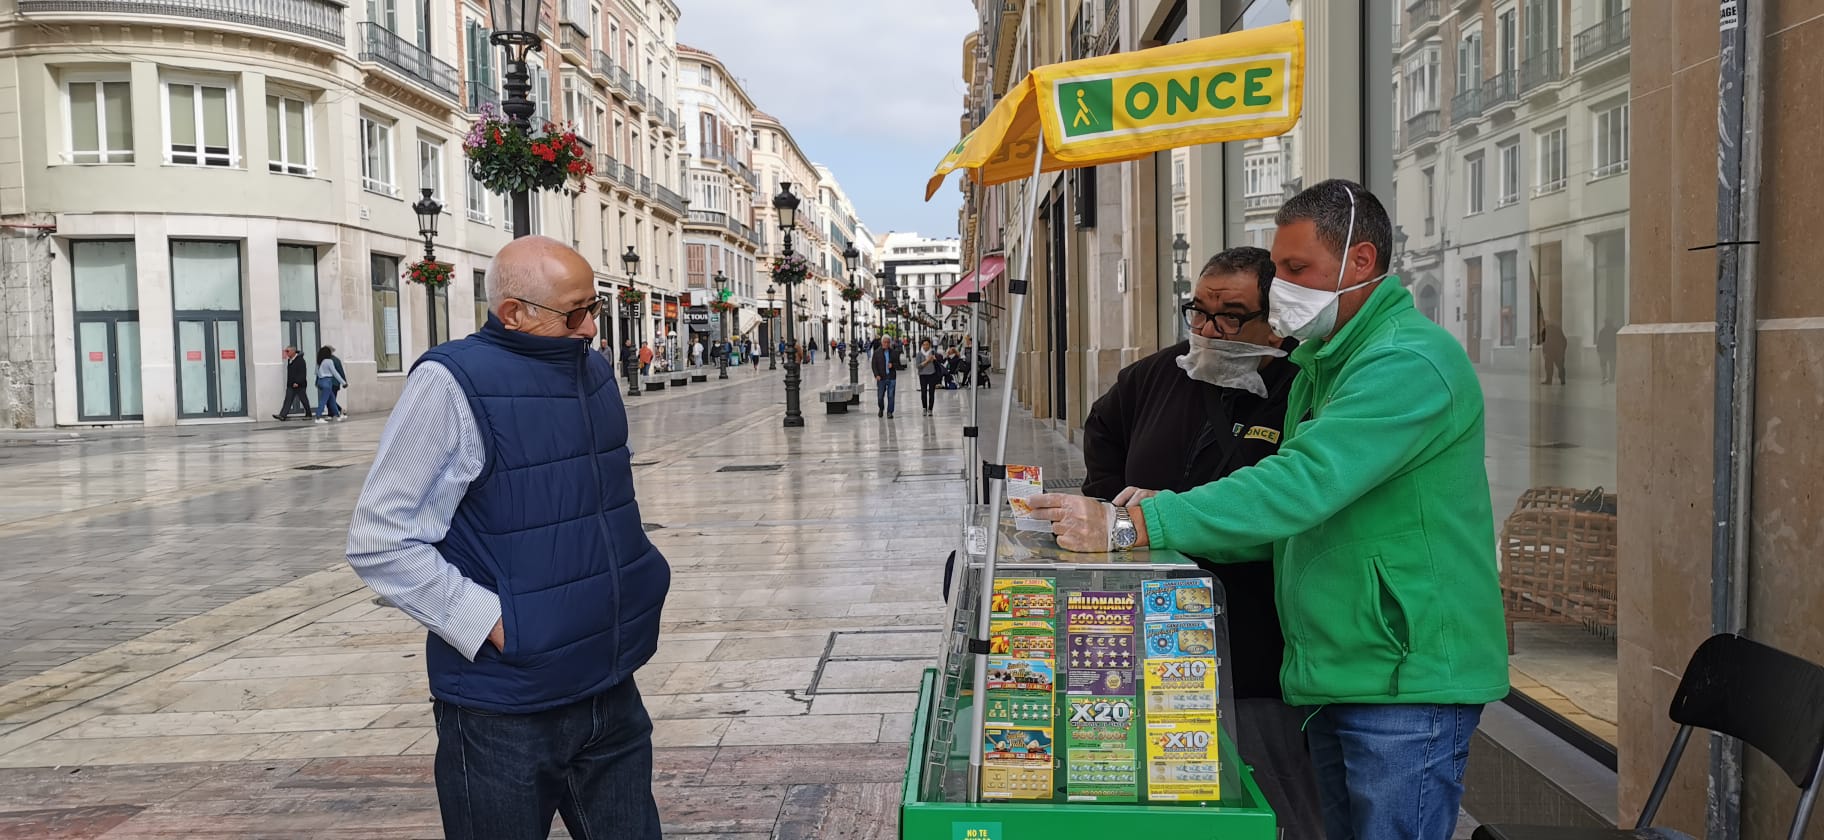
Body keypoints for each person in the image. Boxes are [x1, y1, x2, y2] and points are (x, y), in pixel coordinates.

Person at [1028, 180, 1507, 840]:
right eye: (1279, 268)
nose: (1281, 284)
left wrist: (1134, 524)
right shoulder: (1326, 365)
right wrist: (1172, 512)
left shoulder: (1408, 361)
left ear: (1360, 262)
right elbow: (1296, 517)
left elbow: (1301, 484)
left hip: (1406, 680)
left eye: (1295, 268)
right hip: (1340, 670)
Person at [346, 236, 670, 840]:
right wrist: (497, 624)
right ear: (514, 312)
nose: (592, 327)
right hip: (505, 712)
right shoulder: (450, 384)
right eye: (575, 314)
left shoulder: (592, 371)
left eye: (595, 307)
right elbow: (380, 538)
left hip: (609, 686)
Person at [1079, 246, 1321, 840]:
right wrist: (1114, 505)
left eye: (1232, 316)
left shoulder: (1302, 387)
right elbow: (1102, 431)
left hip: (1258, 631)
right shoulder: (1154, 375)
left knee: (1269, 785)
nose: (1211, 330)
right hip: (1152, 617)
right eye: (1199, 312)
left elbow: (1289, 497)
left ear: (1275, 320)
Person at [273, 346, 311, 420]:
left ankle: (308, 414)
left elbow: (302, 373)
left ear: (293, 351)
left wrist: (298, 382)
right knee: (288, 399)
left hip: (299, 385)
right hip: (291, 384)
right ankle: (283, 415)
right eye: (286, 351)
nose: (286, 353)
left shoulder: (300, 360)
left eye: (288, 351)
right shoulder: (290, 360)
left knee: (303, 399)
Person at [313, 345, 347, 423]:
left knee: (331, 399)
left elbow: (316, 372)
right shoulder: (329, 361)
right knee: (323, 400)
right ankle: (318, 417)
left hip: (321, 381)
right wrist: (343, 382)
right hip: (327, 381)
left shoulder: (319, 361)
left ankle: (338, 415)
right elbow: (335, 373)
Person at [870, 337, 901, 418]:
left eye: (888, 342)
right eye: (884, 342)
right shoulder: (877, 353)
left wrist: (893, 365)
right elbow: (874, 365)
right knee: (880, 397)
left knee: (891, 395)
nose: (886, 344)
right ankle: (881, 408)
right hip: (881, 377)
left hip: (891, 377)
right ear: (881, 342)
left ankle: (889, 412)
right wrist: (876, 375)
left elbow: (898, 365)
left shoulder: (893, 352)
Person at [915, 339, 941, 416]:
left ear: (930, 345)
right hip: (923, 375)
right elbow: (918, 366)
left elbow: (940, 360)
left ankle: (930, 409)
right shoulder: (919, 354)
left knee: (931, 392)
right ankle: (924, 408)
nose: (926, 346)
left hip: (932, 374)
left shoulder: (933, 352)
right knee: (923, 392)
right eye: (924, 344)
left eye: (927, 344)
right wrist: (927, 361)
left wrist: (936, 359)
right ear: (922, 345)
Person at [1540, 319, 1567, 385]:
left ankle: (1549, 380)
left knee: (1549, 366)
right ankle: (1562, 380)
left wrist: (1544, 351)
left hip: (1550, 351)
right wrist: (1562, 351)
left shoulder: (1546, 330)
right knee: (1560, 366)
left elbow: (1544, 342)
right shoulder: (1557, 329)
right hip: (1558, 351)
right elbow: (1564, 341)